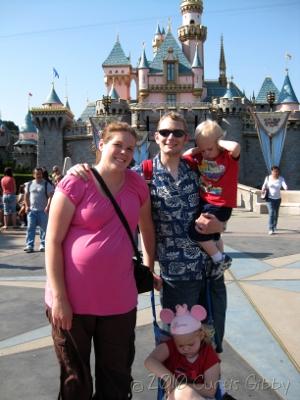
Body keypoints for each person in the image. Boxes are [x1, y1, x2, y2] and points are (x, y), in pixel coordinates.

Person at [68, 113, 226, 354]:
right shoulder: (143, 174)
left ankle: (208, 387)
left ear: (186, 139)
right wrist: (82, 170)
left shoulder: (198, 168)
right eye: (164, 132)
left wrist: (220, 226)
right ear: (155, 137)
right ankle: (176, 388)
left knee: (210, 338)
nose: (170, 137)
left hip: (210, 270)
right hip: (176, 274)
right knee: (177, 342)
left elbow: (221, 201)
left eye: (177, 133)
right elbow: (109, 179)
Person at [45, 122, 155, 400]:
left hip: (118, 302)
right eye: (118, 145)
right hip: (73, 302)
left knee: (116, 378)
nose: (124, 152)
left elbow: (147, 229)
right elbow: (53, 241)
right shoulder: (76, 181)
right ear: (101, 144)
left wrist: (149, 268)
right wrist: (59, 298)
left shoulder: (137, 184)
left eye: (130, 148)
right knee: (75, 381)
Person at [182, 120, 240, 273]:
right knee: (213, 235)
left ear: (219, 144)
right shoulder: (201, 158)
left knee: (196, 231)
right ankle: (220, 258)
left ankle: (220, 259)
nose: (206, 153)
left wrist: (219, 142)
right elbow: (184, 156)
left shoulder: (228, 157)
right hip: (206, 201)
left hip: (221, 204)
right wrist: (200, 148)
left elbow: (235, 147)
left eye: (209, 149)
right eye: (202, 150)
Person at [144, 304, 220, 399]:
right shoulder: (171, 347)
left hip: (201, 396)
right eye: (180, 345)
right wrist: (170, 379)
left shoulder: (207, 353)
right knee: (180, 393)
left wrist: (179, 386)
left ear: (201, 335)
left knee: (183, 391)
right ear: (175, 340)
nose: (186, 349)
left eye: (191, 344)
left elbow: (210, 391)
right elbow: (150, 361)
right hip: (175, 396)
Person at [24, 167, 54, 253]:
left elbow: (50, 196)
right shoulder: (29, 184)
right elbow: (26, 196)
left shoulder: (46, 184)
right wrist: (27, 206)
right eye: (37, 174)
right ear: (33, 175)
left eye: (40, 174)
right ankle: (29, 245)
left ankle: (43, 245)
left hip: (43, 211)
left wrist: (48, 206)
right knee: (30, 228)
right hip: (32, 211)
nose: (39, 175)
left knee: (44, 229)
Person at [261, 165, 288, 235]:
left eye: (277, 171)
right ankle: (270, 228)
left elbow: (284, 184)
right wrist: (263, 189)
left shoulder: (281, 178)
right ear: (272, 171)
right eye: (274, 171)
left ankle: (274, 225)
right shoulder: (268, 178)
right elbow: (264, 185)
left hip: (278, 199)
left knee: (276, 214)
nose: (275, 173)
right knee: (271, 213)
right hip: (269, 199)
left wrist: (285, 187)